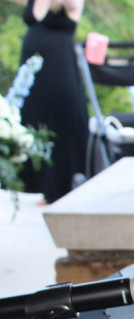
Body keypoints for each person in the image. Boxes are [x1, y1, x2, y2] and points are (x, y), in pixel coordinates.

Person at [17, 0, 88, 205]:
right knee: (35, 120)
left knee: (61, 124)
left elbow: (73, 5)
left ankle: (63, 188)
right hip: (32, 72)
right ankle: (42, 186)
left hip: (59, 67)